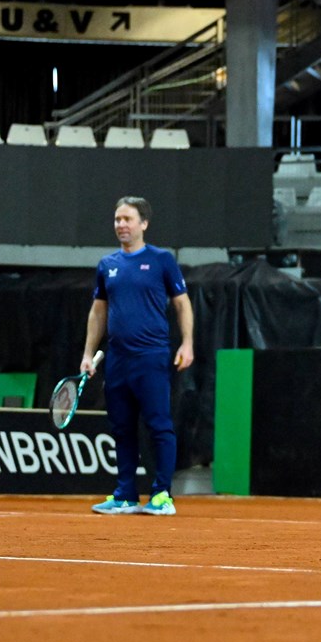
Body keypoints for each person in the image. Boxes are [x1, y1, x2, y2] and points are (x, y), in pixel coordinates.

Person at [83, 196, 194, 516]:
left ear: (143, 223)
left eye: (127, 219)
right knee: (122, 427)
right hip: (117, 360)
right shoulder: (107, 265)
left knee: (159, 425)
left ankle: (162, 495)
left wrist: (187, 344)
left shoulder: (162, 260)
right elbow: (98, 311)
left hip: (151, 357)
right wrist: (88, 353)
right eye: (117, 219)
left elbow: (182, 304)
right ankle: (125, 494)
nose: (121, 225)